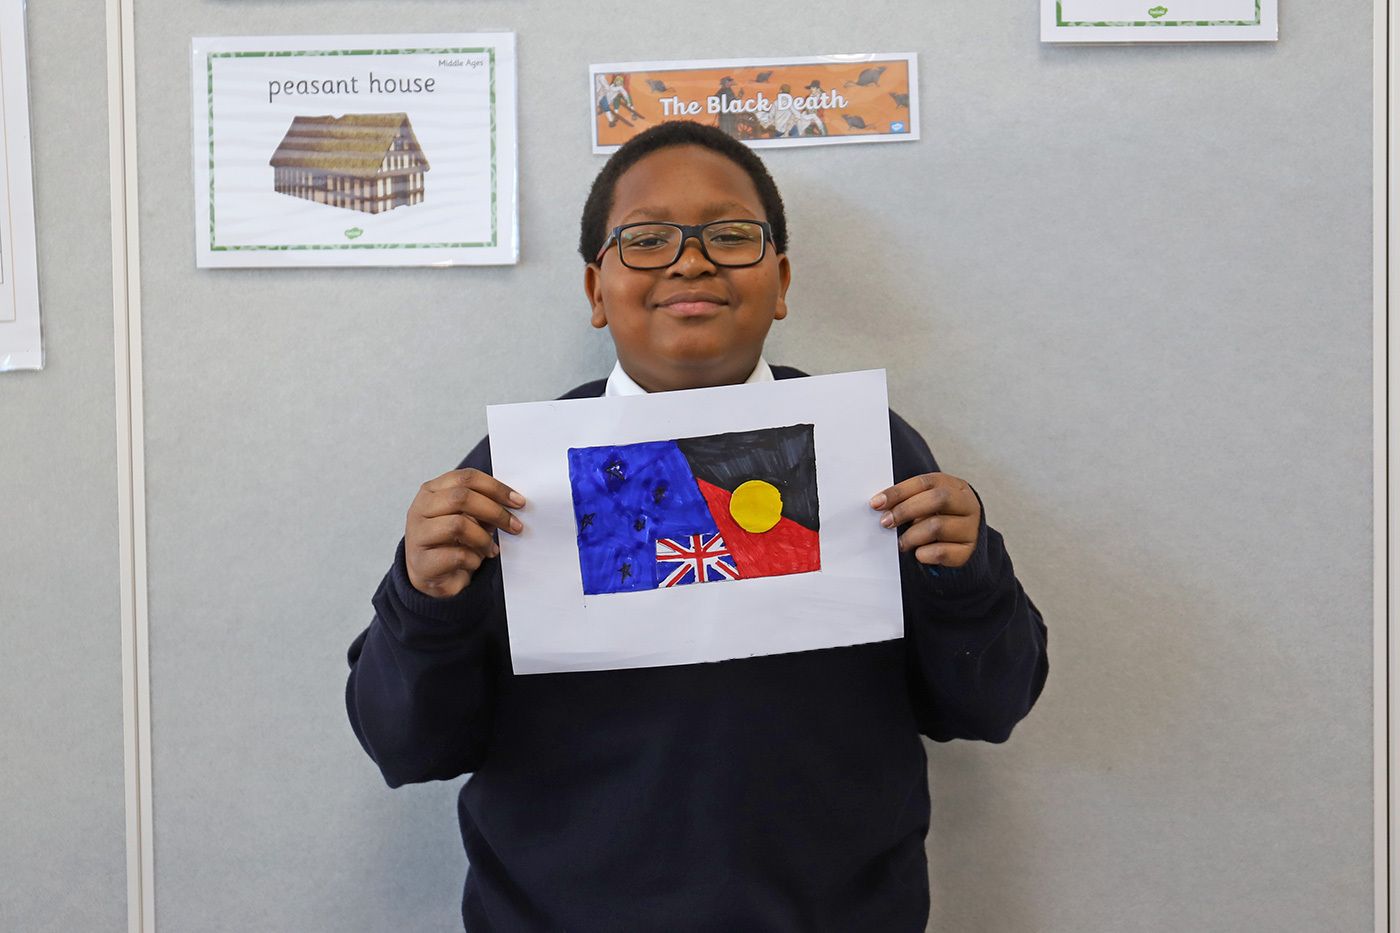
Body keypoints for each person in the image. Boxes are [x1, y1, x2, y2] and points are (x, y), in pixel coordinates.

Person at [346, 120, 1048, 931]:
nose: (690, 260)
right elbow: (408, 745)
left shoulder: (867, 450)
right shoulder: (514, 478)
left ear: (780, 281)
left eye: (730, 235)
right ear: (595, 291)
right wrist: (425, 602)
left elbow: (987, 705)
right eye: (646, 239)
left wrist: (967, 580)